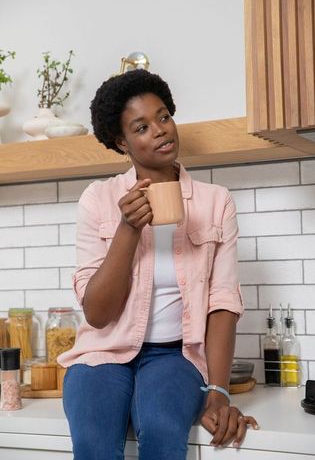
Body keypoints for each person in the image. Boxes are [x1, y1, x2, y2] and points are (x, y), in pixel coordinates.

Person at [58, 69, 258, 460]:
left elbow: (222, 303)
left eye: (164, 116)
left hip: (175, 356)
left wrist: (217, 391)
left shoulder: (216, 202)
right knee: (93, 444)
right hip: (102, 353)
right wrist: (128, 229)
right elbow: (98, 314)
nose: (161, 130)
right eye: (142, 126)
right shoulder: (98, 199)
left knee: (164, 431)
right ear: (122, 141)